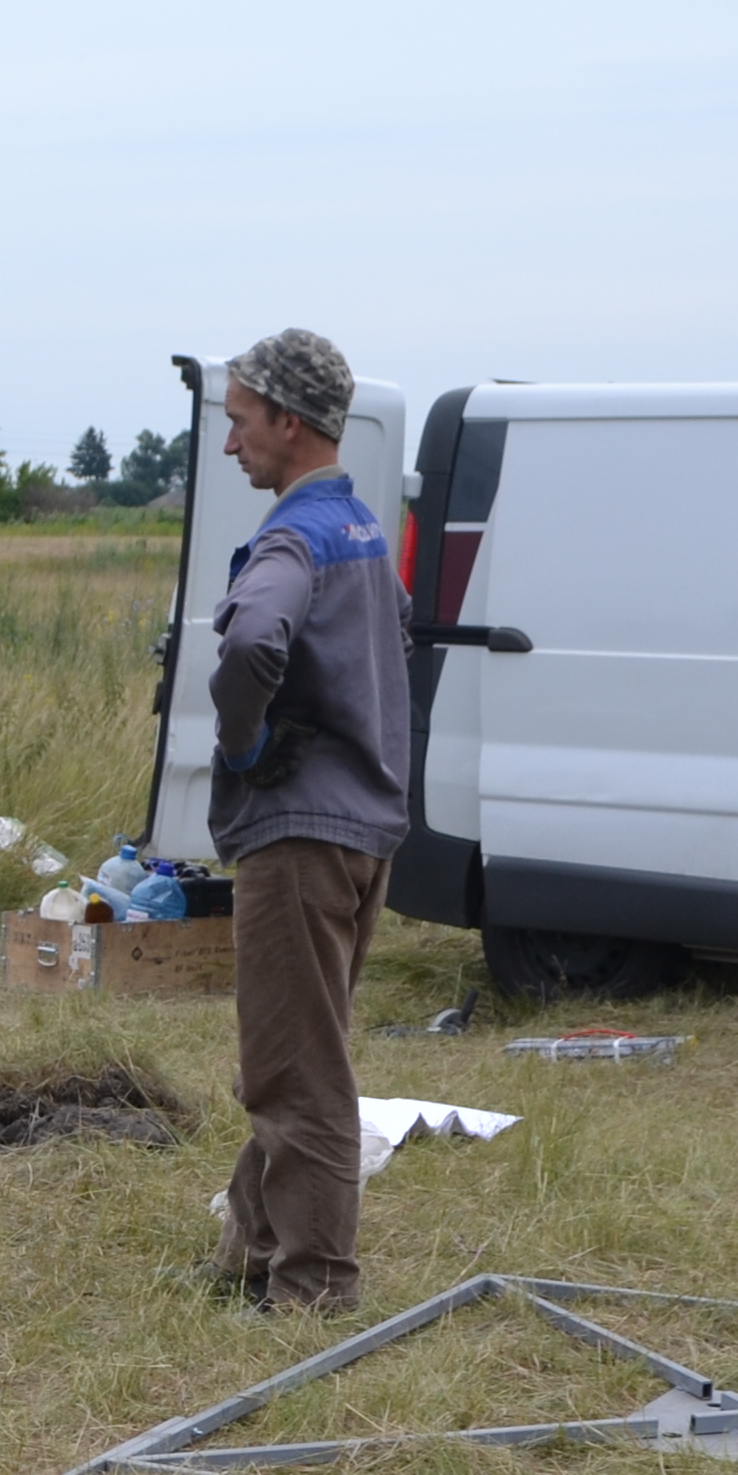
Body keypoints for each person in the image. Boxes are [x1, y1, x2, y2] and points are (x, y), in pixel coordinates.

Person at [202, 328, 415, 1316]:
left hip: (299, 834)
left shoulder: (292, 537)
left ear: (289, 422)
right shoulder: (361, 530)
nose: (232, 439)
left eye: (242, 420)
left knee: (297, 1073)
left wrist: (244, 749)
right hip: (363, 829)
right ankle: (252, 1244)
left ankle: (314, 1288)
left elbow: (250, 644)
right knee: (296, 1048)